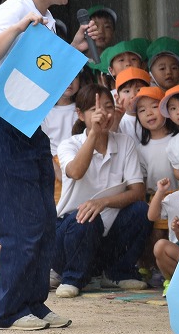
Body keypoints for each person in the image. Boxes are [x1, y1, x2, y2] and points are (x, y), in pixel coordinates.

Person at [0, 0, 86, 331]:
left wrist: (72, 49)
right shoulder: (14, 9)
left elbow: (42, 73)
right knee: (19, 224)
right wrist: (19, 27)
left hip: (27, 127)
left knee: (43, 221)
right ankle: (8, 311)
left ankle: (33, 303)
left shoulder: (47, 18)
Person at [53, 86, 150, 296]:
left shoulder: (124, 142)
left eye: (108, 107)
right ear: (80, 114)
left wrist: (103, 202)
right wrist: (94, 135)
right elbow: (76, 172)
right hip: (69, 234)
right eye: (94, 109)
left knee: (141, 210)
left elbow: (138, 191)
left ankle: (117, 273)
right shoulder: (68, 144)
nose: (103, 114)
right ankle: (71, 278)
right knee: (87, 217)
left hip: (105, 236)